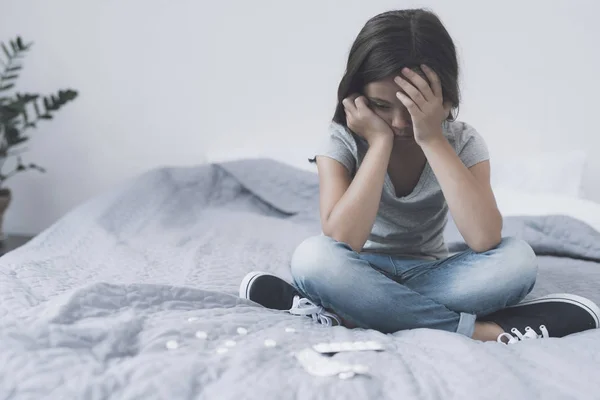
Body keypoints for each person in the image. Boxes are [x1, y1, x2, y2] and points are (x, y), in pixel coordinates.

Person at [239, 8, 600, 343]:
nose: (398, 123)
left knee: (518, 259)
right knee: (313, 258)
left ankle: (349, 312)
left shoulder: (463, 141)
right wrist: (378, 144)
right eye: (382, 106)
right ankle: (480, 333)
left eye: (414, 108)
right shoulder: (340, 140)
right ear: (358, 97)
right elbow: (343, 242)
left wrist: (432, 138)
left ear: (446, 98)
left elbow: (485, 238)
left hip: (433, 273)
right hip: (357, 269)